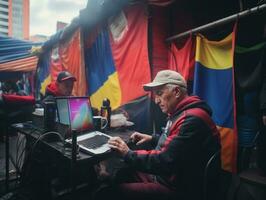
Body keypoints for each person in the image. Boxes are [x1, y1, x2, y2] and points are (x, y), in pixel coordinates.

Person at [94, 70, 221, 200]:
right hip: (170, 176)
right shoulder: (182, 113)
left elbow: (164, 160)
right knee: (121, 174)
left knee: (108, 193)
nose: (156, 100)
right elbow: (178, 145)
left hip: (178, 188)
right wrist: (153, 139)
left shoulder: (191, 120)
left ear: (176, 92)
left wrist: (127, 153)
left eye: (159, 94)